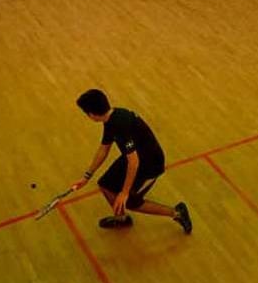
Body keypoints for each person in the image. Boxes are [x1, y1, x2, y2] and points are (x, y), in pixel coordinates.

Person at [72, 89, 192, 233]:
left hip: (150, 164)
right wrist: (87, 176)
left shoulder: (120, 125)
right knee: (105, 185)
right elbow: (104, 149)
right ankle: (122, 219)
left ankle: (177, 213)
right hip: (133, 157)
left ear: (91, 114)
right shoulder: (110, 119)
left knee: (130, 202)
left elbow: (134, 162)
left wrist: (124, 192)